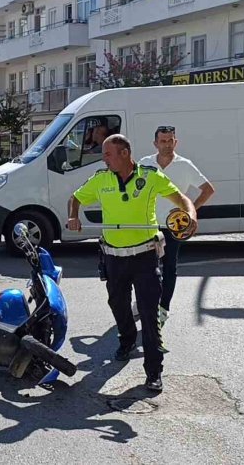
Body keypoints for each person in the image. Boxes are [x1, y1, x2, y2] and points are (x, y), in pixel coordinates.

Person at [67, 134, 196, 392]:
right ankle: (126, 340)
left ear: (124, 153)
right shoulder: (101, 179)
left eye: (108, 154)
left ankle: (154, 371)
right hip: (114, 257)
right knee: (118, 305)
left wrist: (190, 215)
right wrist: (73, 217)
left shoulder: (150, 176)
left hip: (145, 256)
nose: (104, 159)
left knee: (149, 316)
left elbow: (182, 199)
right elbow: (76, 198)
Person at [138, 126, 215, 336]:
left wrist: (189, 213)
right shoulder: (145, 164)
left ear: (176, 142)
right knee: (146, 268)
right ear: (155, 143)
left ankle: (164, 308)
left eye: (170, 140)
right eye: (163, 141)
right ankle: (145, 301)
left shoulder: (184, 165)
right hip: (149, 225)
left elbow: (208, 190)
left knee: (169, 267)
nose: (167, 144)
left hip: (174, 226)